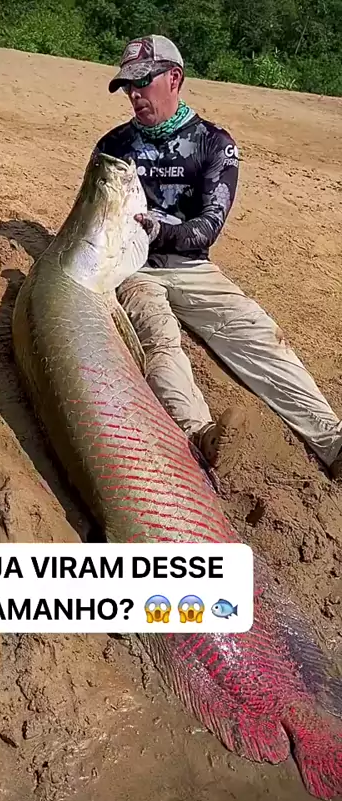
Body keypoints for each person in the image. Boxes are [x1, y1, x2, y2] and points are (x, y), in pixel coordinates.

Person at [91, 34, 342, 480]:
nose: (134, 94)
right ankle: (199, 435)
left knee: (258, 333)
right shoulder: (112, 148)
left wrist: (160, 230)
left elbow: (209, 225)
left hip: (191, 265)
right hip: (131, 268)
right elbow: (93, 216)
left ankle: (333, 443)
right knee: (158, 334)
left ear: (174, 78)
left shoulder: (213, 143)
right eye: (128, 85)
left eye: (143, 82)